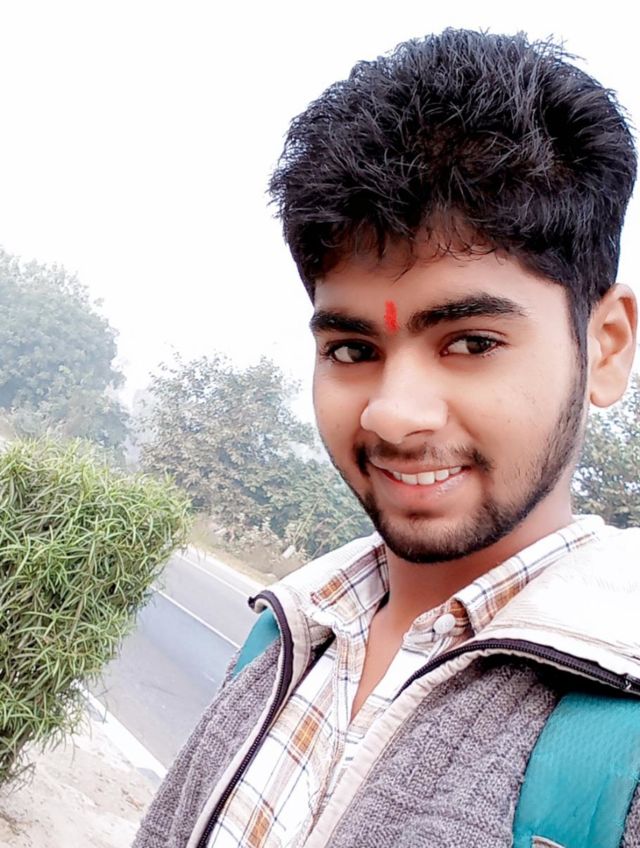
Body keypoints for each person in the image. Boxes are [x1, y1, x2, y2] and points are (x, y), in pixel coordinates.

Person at [134, 29, 639, 847]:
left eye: (471, 342)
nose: (393, 415)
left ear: (607, 348)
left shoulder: (621, 743)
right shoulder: (281, 640)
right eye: (351, 350)